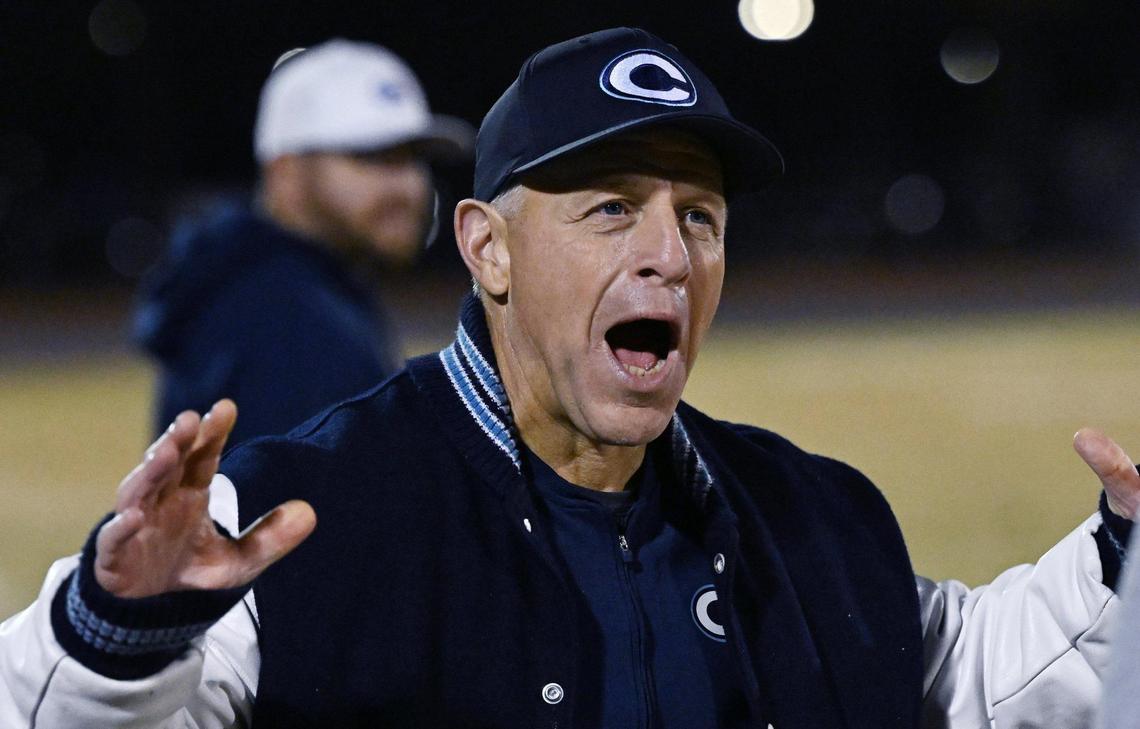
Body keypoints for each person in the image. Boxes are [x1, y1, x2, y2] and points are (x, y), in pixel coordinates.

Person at [1, 27, 1137, 728]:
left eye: (701, 216)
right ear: (487, 246)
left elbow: (970, 688)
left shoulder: (816, 512)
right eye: (610, 210)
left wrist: (1121, 561)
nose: (668, 254)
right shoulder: (303, 514)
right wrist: (113, 633)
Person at [133, 39, 474, 446]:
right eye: (371, 156)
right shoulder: (293, 326)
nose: (407, 184)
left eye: (413, 156)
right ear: (286, 173)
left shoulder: (253, 284)